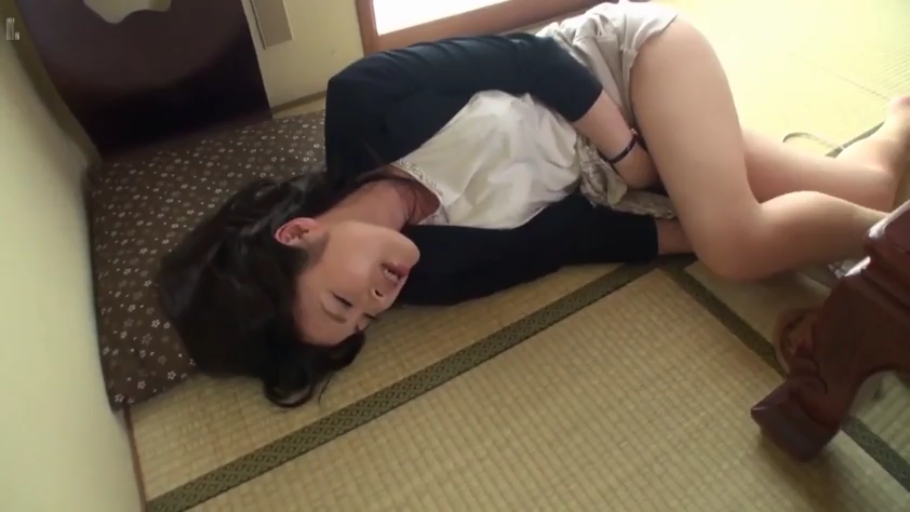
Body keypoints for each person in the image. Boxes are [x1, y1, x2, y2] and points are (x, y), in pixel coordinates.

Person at [158, 2, 910, 407]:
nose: (376, 305)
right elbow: (570, 240)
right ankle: (899, 126)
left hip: (621, 65)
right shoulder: (434, 277)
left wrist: (636, 158)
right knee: (867, 193)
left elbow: (529, 56)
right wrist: (688, 209)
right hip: (633, 165)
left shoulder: (362, 100)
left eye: (342, 300)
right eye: (360, 323)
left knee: (735, 246)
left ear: (298, 232)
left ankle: (897, 266)